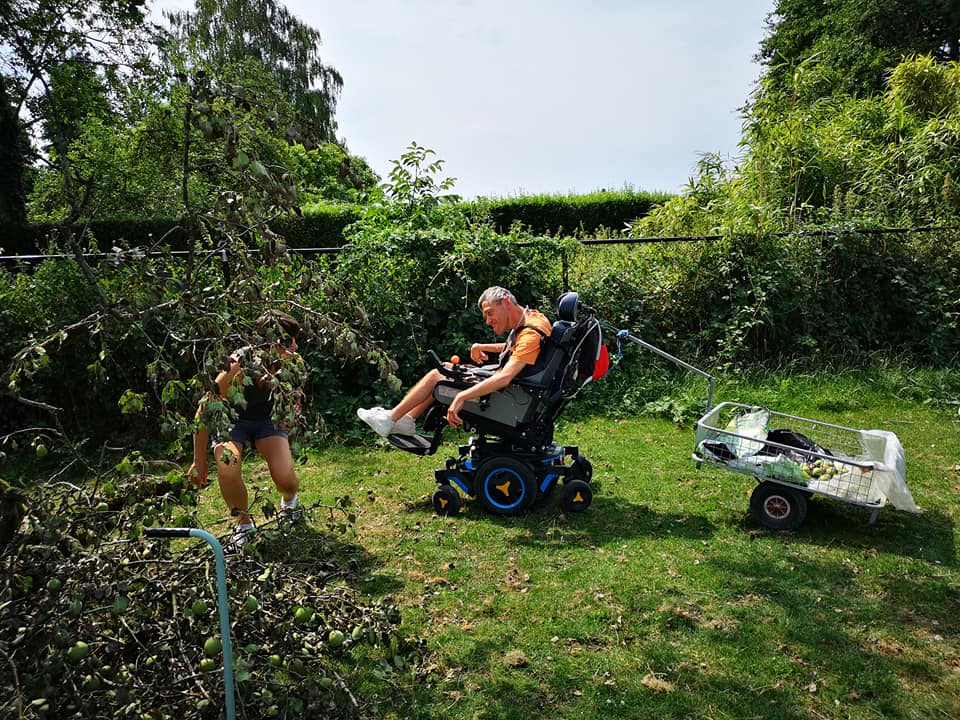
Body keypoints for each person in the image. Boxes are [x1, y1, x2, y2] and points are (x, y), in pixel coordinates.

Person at [357, 286, 553, 436]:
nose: (488, 320)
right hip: (513, 392)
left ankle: (389, 419)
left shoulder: (530, 333)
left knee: (438, 375)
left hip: (505, 398)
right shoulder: (533, 318)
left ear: (506, 303)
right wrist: (482, 346)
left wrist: (462, 397)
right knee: (448, 369)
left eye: (490, 312)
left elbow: (504, 379)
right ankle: (407, 419)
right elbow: (521, 350)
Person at [188, 310, 305, 550]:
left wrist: (292, 413)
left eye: (294, 339)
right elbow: (203, 410)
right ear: (266, 343)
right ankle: (243, 525)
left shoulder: (294, 362)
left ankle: (290, 502)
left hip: (267, 422)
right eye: (287, 341)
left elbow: (296, 397)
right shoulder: (236, 366)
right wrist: (199, 461)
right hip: (231, 422)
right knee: (227, 467)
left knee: (285, 478)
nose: (295, 345)